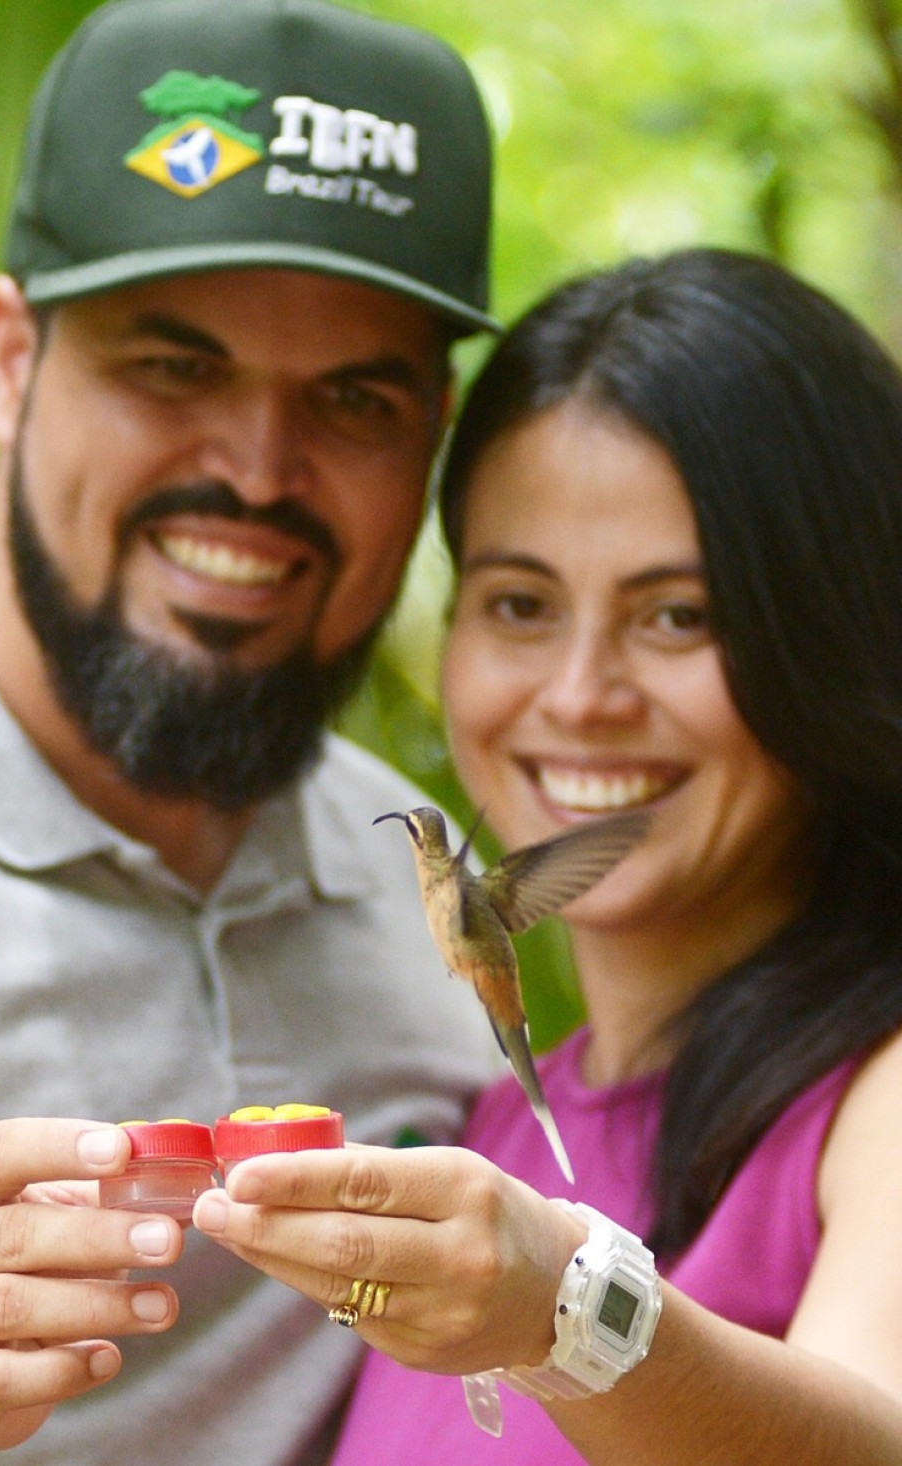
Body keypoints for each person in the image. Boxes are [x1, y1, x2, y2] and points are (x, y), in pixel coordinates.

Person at [0, 0, 504, 1461]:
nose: (259, 471)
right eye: (175, 366)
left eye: (353, 398)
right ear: (9, 362)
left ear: (431, 444)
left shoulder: (418, 862)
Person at [193, 247, 902, 1462]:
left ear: (830, 634)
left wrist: (569, 1310)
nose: (579, 695)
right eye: (520, 602)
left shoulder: (874, 1099)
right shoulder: (489, 1128)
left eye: (680, 614)